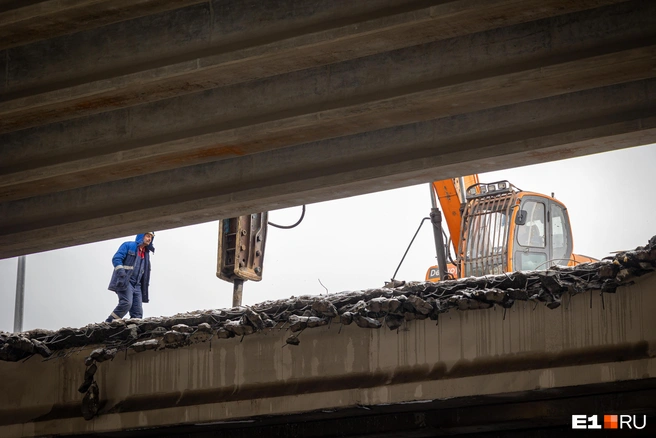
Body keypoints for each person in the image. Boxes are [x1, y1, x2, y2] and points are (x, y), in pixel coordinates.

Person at [105, 232, 155, 322]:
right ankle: (109, 323)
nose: (149, 239)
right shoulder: (128, 245)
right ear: (141, 236)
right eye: (148, 236)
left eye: (151, 237)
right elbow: (116, 258)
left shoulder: (146, 254)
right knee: (126, 303)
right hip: (126, 281)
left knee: (138, 311)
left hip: (137, 285)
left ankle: (133, 330)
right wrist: (121, 273)